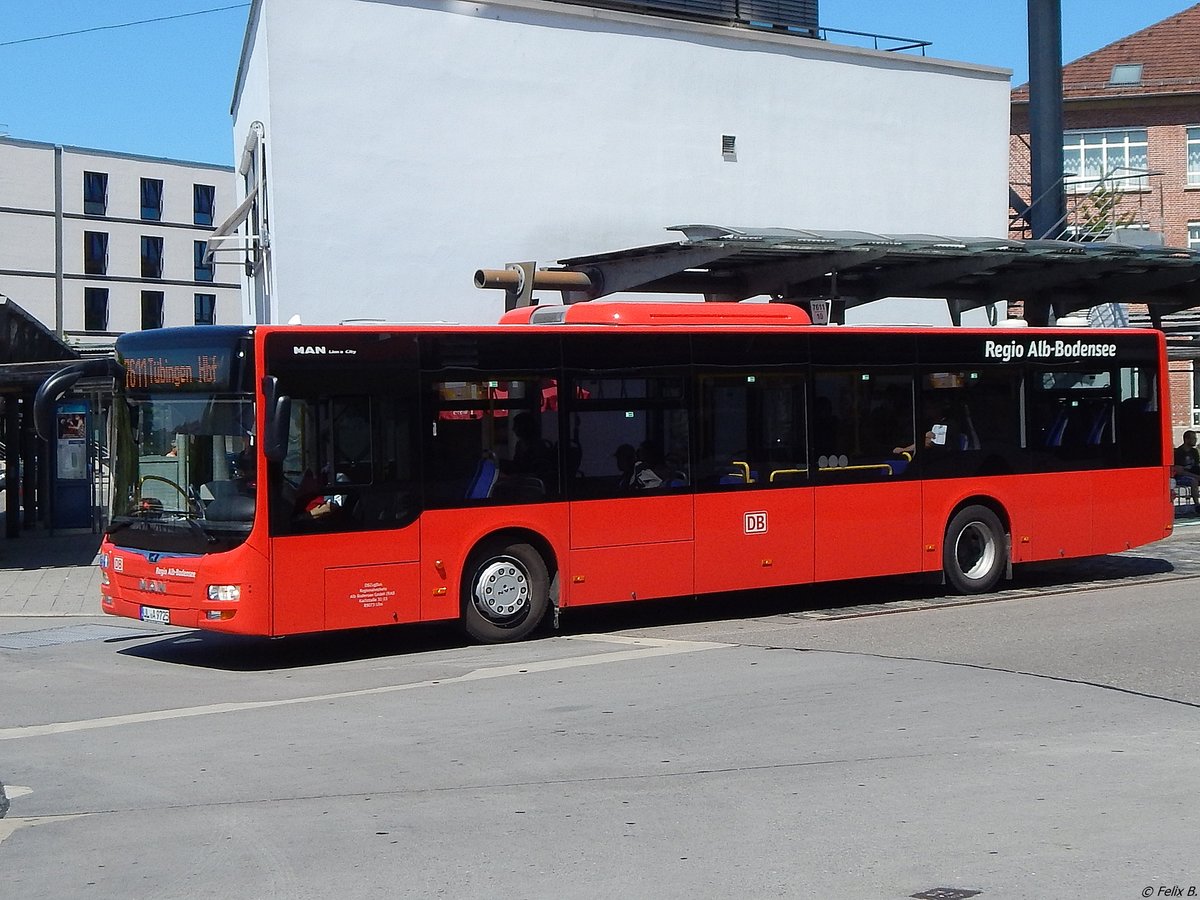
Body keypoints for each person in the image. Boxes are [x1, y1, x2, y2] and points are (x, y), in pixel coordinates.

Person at [1173, 430, 1200, 513]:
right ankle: (1197, 505)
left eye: (1195, 438)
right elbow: (1179, 471)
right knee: (1193, 481)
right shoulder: (1179, 452)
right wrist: (1196, 476)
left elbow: (1196, 466)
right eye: (1193, 438)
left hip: (1193, 473)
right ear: (1186, 439)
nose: (1195, 440)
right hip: (1180, 477)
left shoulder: (1194, 452)